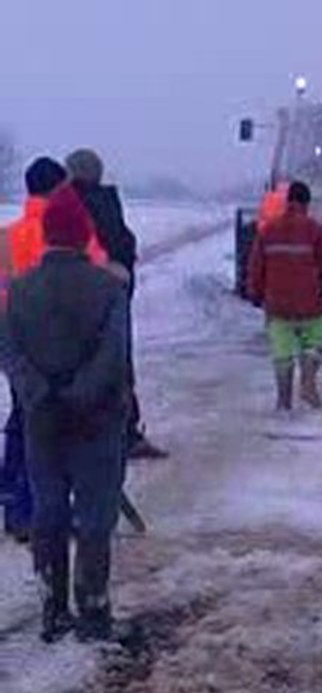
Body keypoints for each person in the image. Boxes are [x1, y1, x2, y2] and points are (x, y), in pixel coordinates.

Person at [3, 185, 130, 643]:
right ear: (82, 235)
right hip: (95, 420)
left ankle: (52, 608)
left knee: (48, 513)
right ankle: (93, 608)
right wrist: (81, 392)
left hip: (42, 420)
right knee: (95, 516)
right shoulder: (109, 288)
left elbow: (10, 351)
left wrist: (39, 391)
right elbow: (115, 355)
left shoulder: (18, 291)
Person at [1, 158, 108, 544]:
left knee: (23, 419)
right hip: (70, 348)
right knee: (67, 432)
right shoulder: (72, 231)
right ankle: (57, 510)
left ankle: (16, 503)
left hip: (20, 346)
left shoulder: (7, 237)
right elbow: (95, 285)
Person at [65, 149, 166, 461]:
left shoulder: (72, 206)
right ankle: (124, 432)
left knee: (77, 366)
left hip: (79, 301)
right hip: (113, 298)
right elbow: (124, 249)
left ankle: (89, 436)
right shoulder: (108, 203)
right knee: (117, 366)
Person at [246, 181, 322, 411]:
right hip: (310, 304)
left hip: (277, 304)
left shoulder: (268, 230)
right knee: (315, 341)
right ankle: (308, 383)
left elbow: (255, 266)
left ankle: (283, 401)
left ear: (287, 201)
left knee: (282, 353)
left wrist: (255, 293)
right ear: (307, 203)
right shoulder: (315, 230)